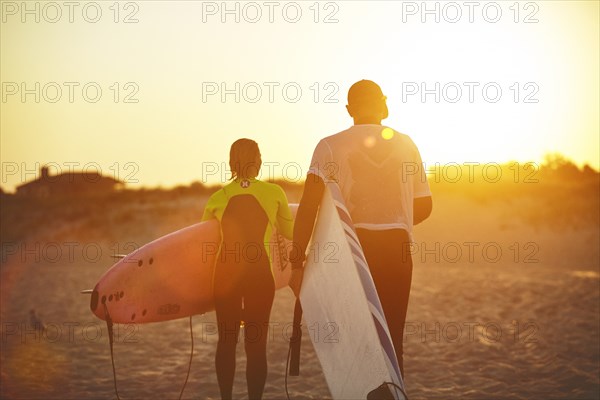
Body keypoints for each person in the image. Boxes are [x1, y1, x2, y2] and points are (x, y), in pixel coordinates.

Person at [288, 80, 433, 378]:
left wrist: (297, 259)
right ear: (382, 104)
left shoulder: (329, 145)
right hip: (397, 248)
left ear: (349, 109)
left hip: (354, 250)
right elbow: (424, 206)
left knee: (357, 340)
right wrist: (395, 214)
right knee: (392, 339)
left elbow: (309, 206)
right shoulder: (406, 143)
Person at [202, 138, 294, 400]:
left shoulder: (217, 198)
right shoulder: (274, 193)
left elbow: (205, 242)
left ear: (231, 163)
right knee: (256, 346)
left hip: (225, 277)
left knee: (226, 342)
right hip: (259, 276)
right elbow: (289, 232)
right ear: (258, 161)